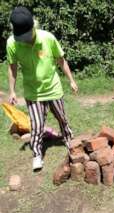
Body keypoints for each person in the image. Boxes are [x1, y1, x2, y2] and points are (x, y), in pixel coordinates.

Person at [6, 7, 78, 171]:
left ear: (33, 27)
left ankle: (69, 140)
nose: (23, 40)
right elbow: (12, 67)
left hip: (53, 88)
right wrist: (12, 90)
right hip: (33, 92)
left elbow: (61, 60)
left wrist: (71, 80)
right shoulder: (12, 43)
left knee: (62, 118)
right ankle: (37, 154)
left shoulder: (47, 38)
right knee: (37, 125)